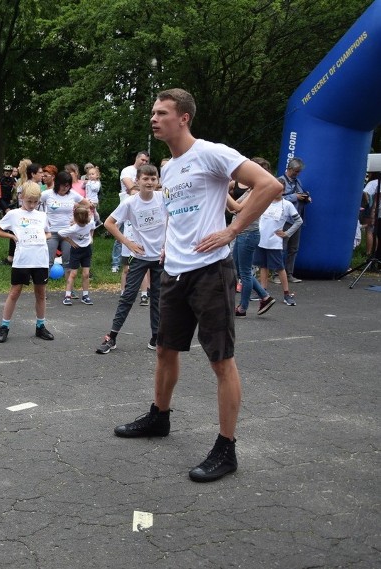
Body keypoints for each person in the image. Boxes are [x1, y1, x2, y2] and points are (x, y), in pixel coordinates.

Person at [113, 88, 283, 483]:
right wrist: (166, 251)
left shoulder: (211, 152)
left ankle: (227, 448)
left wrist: (233, 230)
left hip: (210, 271)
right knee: (166, 351)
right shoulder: (168, 168)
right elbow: (178, 214)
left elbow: (269, 185)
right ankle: (159, 417)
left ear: (184, 117)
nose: (154, 118)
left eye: (161, 113)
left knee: (220, 361)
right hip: (174, 271)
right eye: (152, 112)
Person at [96, 164, 166, 353]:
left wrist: (167, 245)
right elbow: (109, 223)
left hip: (160, 258)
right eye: (146, 179)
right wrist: (129, 243)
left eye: (153, 179)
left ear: (157, 181)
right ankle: (112, 337)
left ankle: (156, 337)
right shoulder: (130, 203)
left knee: (158, 299)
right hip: (140, 256)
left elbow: (174, 220)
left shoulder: (163, 198)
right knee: (127, 297)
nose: (150, 182)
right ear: (137, 181)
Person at [0, 181, 54, 343]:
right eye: (29, 201)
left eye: (35, 202)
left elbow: (48, 234)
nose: (32, 205)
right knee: (14, 293)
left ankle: (40, 326)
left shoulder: (42, 215)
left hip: (40, 259)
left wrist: (43, 237)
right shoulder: (14, 214)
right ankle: (4, 326)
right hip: (22, 260)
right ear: (22, 198)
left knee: (41, 293)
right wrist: (12, 236)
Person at [231, 157, 276, 317]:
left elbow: (236, 208)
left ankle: (242, 308)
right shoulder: (252, 189)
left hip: (248, 234)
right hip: (243, 233)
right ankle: (265, 296)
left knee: (245, 272)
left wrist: (220, 190)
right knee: (242, 270)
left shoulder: (258, 190)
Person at [41, 170, 87, 298]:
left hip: (68, 233)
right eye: (63, 185)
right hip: (52, 232)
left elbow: (87, 204)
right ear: (57, 183)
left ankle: (69, 291)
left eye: (68, 185)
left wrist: (77, 218)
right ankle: (43, 290)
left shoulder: (73, 194)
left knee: (68, 262)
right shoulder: (47, 194)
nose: (65, 188)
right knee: (48, 261)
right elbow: (32, 202)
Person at [253, 191, 303, 307]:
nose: (276, 192)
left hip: (274, 242)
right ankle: (263, 291)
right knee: (263, 266)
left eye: (279, 190)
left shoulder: (287, 204)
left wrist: (287, 233)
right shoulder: (266, 201)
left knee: (280, 267)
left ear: (283, 191)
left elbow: (299, 220)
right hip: (261, 240)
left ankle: (286, 294)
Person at [114, 151, 150, 273]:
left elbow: (149, 188)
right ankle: (116, 262)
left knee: (137, 234)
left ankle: (139, 257)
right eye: (142, 160)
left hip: (141, 207)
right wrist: (143, 188)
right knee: (120, 236)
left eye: (146, 161)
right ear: (137, 158)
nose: (144, 162)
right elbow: (130, 187)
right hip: (126, 206)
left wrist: (139, 188)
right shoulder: (127, 170)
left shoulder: (146, 172)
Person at [276, 158, 311, 283]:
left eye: (299, 171)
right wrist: (295, 196)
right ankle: (276, 274)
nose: (297, 173)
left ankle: (289, 274)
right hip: (285, 219)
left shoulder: (298, 182)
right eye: (296, 171)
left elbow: (299, 197)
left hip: (297, 219)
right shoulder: (280, 181)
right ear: (289, 169)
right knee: (281, 247)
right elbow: (276, 197)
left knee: (293, 249)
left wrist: (305, 198)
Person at [58, 204, 97, 306]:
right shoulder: (74, 228)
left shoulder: (90, 223)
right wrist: (70, 242)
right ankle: (67, 296)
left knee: (86, 274)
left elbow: (93, 227)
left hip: (87, 250)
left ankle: (85, 296)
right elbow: (60, 233)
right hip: (76, 251)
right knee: (73, 274)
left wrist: (91, 237)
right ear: (76, 219)